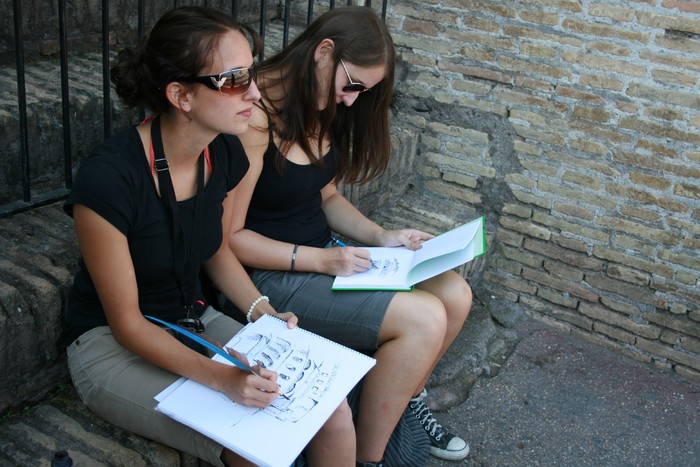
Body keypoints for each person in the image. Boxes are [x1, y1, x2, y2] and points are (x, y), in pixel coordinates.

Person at [62, 6, 355, 467]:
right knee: (255, 444)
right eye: (235, 80)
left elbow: (215, 248)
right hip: (111, 345)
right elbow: (127, 323)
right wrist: (222, 379)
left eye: (253, 73)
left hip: (192, 320)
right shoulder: (109, 180)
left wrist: (265, 313)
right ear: (181, 95)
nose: (256, 93)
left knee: (330, 409)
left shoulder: (222, 152)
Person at [227, 6, 472, 465]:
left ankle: (405, 405)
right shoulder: (255, 117)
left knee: (455, 292)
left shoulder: (315, 101)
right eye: (353, 84)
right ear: (324, 52)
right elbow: (230, 239)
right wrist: (323, 261)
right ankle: (371, 458)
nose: (352, 101)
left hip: (326, 255)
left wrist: (383, 236)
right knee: (423, 319)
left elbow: (328, 197)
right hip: (270, 274)